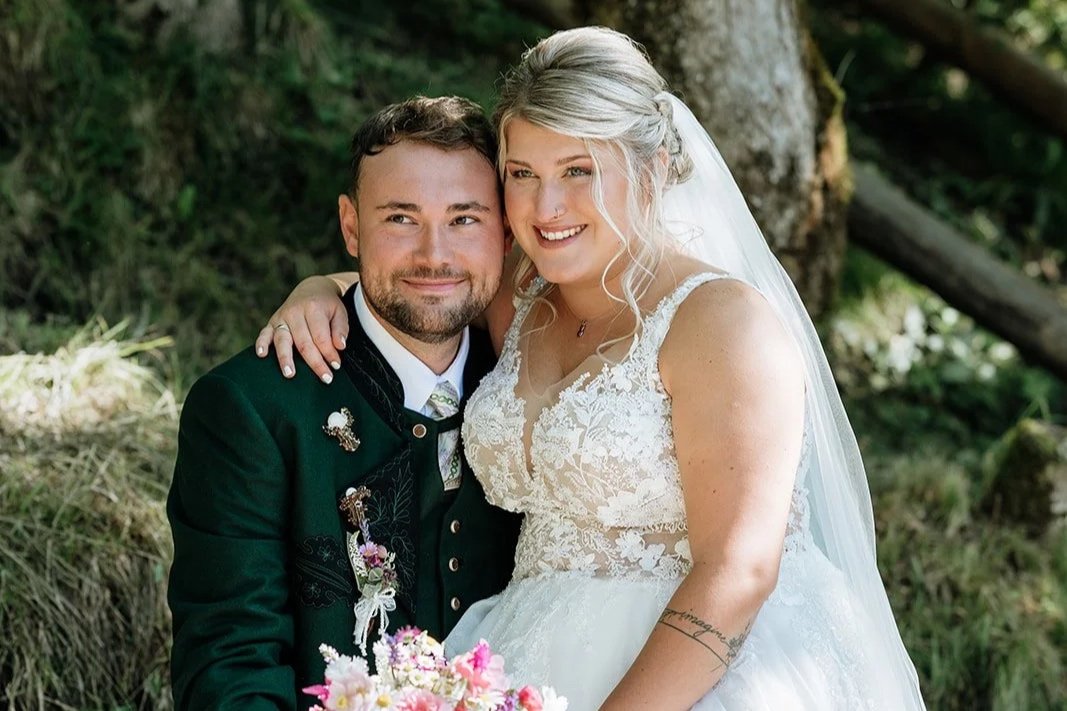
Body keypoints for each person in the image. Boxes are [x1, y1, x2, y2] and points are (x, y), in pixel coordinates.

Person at [260, 27, 926, 710]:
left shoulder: (723, 323)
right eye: (522, 175)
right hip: (529, 647)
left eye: (577, 171)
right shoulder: (519, 297)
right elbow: (426, 278)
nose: (544, 210)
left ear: (654, 168)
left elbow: (739, 570)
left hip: (708, 666)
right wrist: (319, 289)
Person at [167, 96, 521, 709]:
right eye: (400, 219)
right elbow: (230, 664)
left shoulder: (537, 386)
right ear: (351, 226)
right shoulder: (249, 409)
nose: (435, 254)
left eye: (465, 219)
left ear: (507, 231)